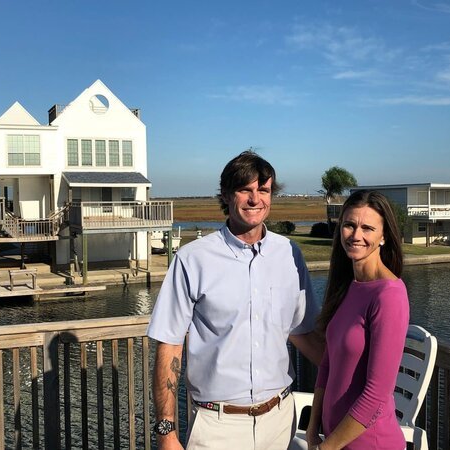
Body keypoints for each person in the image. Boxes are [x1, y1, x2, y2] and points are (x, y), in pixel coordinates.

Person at [147, 150, 323, 450]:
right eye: (245, 190)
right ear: (227, 196)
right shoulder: (192, 259)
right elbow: (170, 343)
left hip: (280, 420)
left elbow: (301, 330)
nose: (255, 199)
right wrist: (166, 432)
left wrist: (355, 379)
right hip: (217, 427)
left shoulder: (289, 254)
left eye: (263, 190)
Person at [306, 190, 409, 450]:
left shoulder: (389, 295)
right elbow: (328, 365)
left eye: (368, 228)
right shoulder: (349, 287)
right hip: (334, 439)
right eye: (350, 225)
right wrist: (311, 427)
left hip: (369, 443)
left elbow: (377, 393)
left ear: (384, 235)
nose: (356, 235)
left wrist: (327, 448)